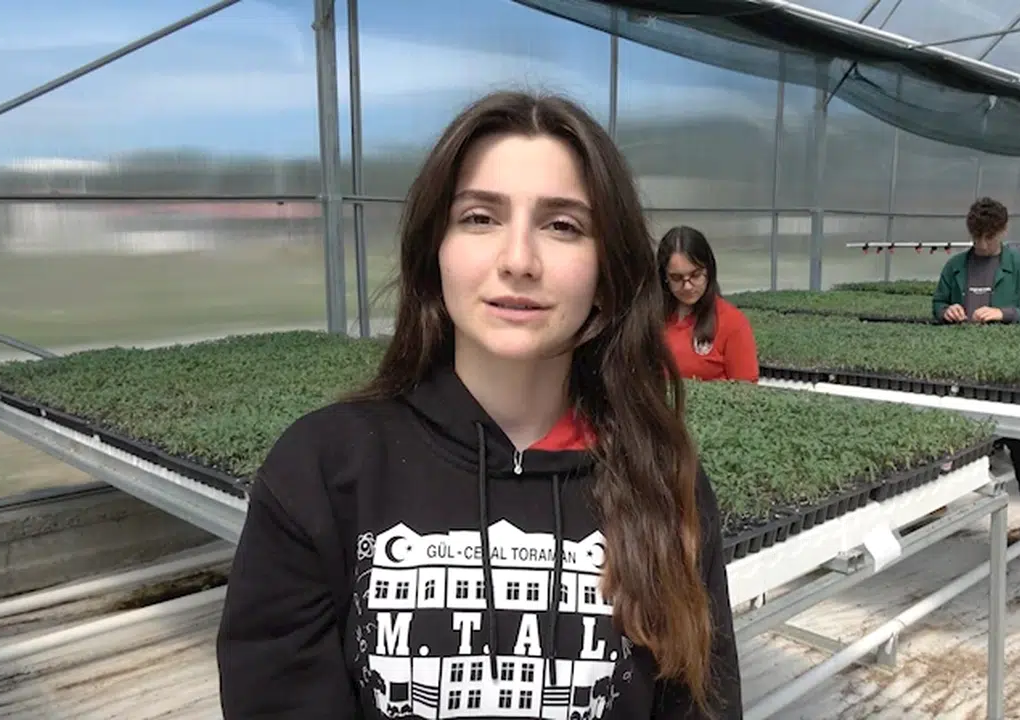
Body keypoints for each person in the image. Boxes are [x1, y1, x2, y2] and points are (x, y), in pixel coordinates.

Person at [216, 91, 743, 720]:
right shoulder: (323, 469)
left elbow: (702, 703)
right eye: (479, 217)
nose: (518, 260)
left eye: (563, 225)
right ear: (434, 252)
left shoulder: (660, 477)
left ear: (607, 275)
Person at [932, 197, 1020, 539]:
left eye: (989, 237)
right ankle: (936, 501)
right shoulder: (955, 266)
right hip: (960, 362)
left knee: (1016, 437)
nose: (983, 244)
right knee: (949, 432)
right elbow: (937, 303)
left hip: (1004, 368)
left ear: (1003, 231)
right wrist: (946, 311)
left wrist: (1005, 313)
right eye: (977, 237)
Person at [658, 226, 759, 383]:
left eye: (695, 275)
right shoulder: (650, 318)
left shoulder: (732, 323)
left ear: (709, 271)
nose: (687, 286)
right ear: (664, 277)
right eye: (676, 278)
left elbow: (746, 390)